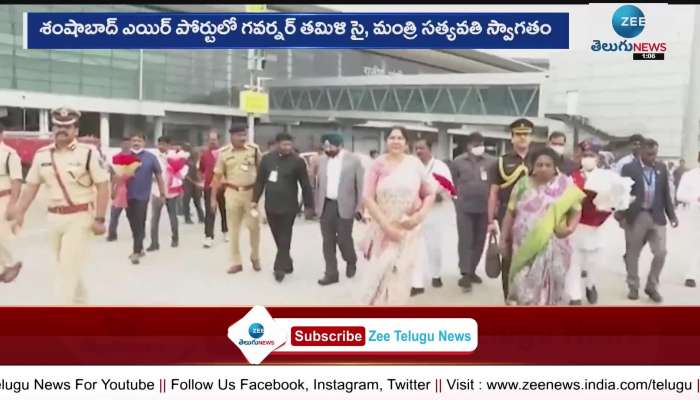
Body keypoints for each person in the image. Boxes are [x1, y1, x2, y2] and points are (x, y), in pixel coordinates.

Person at [8, 107, 110, 304]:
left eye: (67, 127)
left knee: (66, 269)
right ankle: (83, 307)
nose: (62, 130)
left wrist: (100, 218)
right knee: (66, 266)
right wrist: (20, 212)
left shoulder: (87, 153)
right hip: (54, 219)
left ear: (76, 131)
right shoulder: (42, 155)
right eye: (58, 126)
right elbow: (31, 187)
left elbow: (103, 185)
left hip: (80, 217)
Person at [359, 127, 436, 305]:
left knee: (400, 275)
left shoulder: (414, 164)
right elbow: (368, 197)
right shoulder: (378, 164)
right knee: (378, 273)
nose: (395, 141)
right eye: (392, 138)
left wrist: (418, 217)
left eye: (400, 138)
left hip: (407, 229)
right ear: (386, 141)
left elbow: (429, 194)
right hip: (383, 228)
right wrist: (387, 227)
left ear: (406, 143)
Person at [500, 147, 584, 305]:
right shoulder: (523, 184)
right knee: (522, 283)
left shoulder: (565, 185)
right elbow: (510, 214)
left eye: (548, 165)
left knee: (553, 283)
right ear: (533, 166)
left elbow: (576, 210)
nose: (543, 168)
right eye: (539, 165)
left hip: (555, 245)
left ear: (555, 167)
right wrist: (503, 239)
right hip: (524, 245)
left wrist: (570, 228)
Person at [617, 139, 678, 303]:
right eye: (649, 154)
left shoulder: (661, 168)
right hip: (637, 215)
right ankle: (633, 286)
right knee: (633, 253)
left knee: (661, 252)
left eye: (655, 154)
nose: (653, 157)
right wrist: (621, 216)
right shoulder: (629, 168)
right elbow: (621, 194)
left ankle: (652, 285)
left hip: (657, 215)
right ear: (641, 152)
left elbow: (665, 194)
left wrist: (672, 216)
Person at [252, 133, 314, 283]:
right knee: (278, 237)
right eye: (284, 144)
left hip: (289, 206)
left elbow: (305, 185)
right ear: (277, 144)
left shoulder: (298, 162)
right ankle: (287, 261)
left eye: (289, 145)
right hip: (271, 205)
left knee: (285, 235)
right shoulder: (267, 160)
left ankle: (279, 268)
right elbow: (260, 181)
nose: (287, 147)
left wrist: (308, 205)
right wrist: (254, 200)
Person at [488, 118, 534, 301]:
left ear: (531, 137)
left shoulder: (540, 160)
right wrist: (490, 220)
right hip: (508, 216)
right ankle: (509, 297)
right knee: (508, 258)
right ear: (512, 138)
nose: (522, 138)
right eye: (518, 135)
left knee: (533, 257)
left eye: (526, 135)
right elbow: (493, 193)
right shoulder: (500, 162)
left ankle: (529, 297)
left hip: (534, 217)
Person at [210, 125, 262, 274]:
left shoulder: (254, 150)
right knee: (233, 229)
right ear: (231, 136)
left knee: (254, 227)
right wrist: (213, 198)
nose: (242, 138)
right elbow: (217, 177)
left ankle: (255, 256)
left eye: (244, 135)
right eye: (239, 135)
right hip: (232, 194)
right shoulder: (224, 153)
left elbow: (262, 170)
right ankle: (236, 262)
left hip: (251, 195)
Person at [315, 133, 365, 286]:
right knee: (327, 241)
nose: (328, 150)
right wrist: (315, 205)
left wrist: (360, 208)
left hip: (346, 206)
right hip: (326, 205)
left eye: (331, 147)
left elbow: (361, 186)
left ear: (341, 146)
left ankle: (351, 260)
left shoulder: (354, 160)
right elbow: (317, 184)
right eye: (325, 147)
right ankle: (331, 274)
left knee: (343, 239)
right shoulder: (322, 160)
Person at [566, 141, 612, 305]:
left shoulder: (606, 176)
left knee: (594, 262)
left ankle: (590, 285)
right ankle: (574, 295)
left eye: (591, 156)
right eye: (585, 156)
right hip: (577, 224)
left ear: (598, 158)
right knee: (574, 261)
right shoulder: (572, 176)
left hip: (597, 225)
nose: (587, 159)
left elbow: (616, 197)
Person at [450, 132, 494, 292]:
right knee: (465, 240)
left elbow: (496, 184)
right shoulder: (458, 162)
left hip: (484, 207)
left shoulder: (491, 162)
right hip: (464, 208)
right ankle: (465, 273)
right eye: (475, 144)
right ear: (468, 146)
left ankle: (473, 269)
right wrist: (456, 200)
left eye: (480, 144)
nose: (478, 147)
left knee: (479, 241)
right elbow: (452, 183)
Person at [411, 137, 455, 296]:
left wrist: (437, 196)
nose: (418, 151)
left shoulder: (440, 167)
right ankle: (417, 284)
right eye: (416, 148)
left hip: (435, 212)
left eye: (421, 148)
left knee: (434, 247)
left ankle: (436, 274)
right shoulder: (412, 166)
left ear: (430, 150)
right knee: (415, 247)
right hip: (416, 211)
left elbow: (450, 189)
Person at [122, 132, 166, 265]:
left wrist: (162, 194)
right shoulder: (125, 157)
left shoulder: (150, 158)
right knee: (132, 221)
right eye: (134, 140)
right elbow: (117, 176)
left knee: (140, 221)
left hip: (142, 195)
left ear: (144, 143)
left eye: (139, 140)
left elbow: (159, 176)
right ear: (130, 142)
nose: (136, 143)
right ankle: (140, 245)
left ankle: (136, 251)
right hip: (126, 195)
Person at [148, 136, 181, 251]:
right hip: (157, 191)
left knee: (173, 216)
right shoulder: (153, 156)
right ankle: (154, 243)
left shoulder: (174, 156)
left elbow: (180, 172)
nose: (161, 146)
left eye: (164, 144)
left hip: (171, 192)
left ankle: (175, 238)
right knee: (154, 218)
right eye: (160, 144)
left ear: (169, 145)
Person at [0, 122, 23, 283]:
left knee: (2, 235)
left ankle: (8, 266)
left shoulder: (9, 154)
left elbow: (16, 181)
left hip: (3, 198)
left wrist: (12, 204)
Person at [200, 131, 228, 248]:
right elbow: (201, 169)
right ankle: (208, 236)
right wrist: (204, 180)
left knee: (224, 210)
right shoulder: (204, 155)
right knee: (210, 212)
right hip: (209, 187)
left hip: (223, 187)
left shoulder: (224, 154)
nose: (212, 141)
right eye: (210, 139)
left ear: (218, 141)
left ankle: (225, 231)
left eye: (214, 139)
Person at [676, 152, 700, 287]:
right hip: (696, 213)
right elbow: (679, 195)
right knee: (696, 244)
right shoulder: (689, 176)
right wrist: (695, 198)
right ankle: (691, 275)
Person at [107, 137, 132, 241]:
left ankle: (138, 233)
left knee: (133, 215)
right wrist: (112, 189)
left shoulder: (135, 158)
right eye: (124, 144)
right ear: (121, 145)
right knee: (114, 214)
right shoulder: (116, 158)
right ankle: (112, 234)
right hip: (119, 190)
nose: (126, 146)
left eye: (128, 144)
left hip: (131, 189)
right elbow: (113, 176)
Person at [182, 146, 204, 225]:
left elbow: (202, 173)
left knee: (197, 201)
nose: (198, 154)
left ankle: (201, 218)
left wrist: (201, 182)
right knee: (186, 201)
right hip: (188, 183)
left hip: (197, 185)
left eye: (198, 153)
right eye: (196, 153)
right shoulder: (187, 162)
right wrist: (194, 182)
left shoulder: (200, 161)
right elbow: (185, 174)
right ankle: (187, 218)